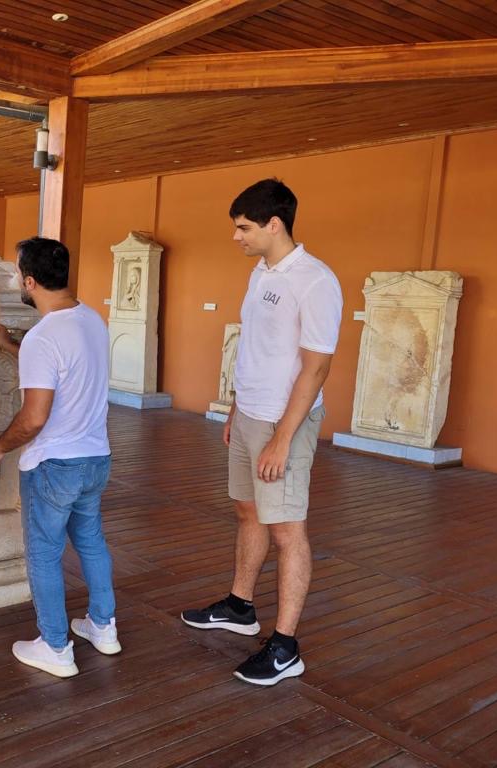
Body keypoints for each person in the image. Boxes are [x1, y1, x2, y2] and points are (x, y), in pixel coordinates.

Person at [181, 178, 343, 686]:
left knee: (287, 529)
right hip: (250, 413)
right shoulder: (261, 272)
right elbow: (256, 348)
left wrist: (281, 438)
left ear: (275, 225)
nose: (237, 236)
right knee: (247, 511)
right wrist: (235, 408)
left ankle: (286, 647)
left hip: (283, 422)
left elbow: (316, 368)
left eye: (244, 227)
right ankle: (240, 606)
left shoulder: (316, 281)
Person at [0, 236, 119, 679]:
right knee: (91, 541)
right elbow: (65, 371)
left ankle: (56, 646)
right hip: (95, 457)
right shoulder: (92, 320)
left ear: (30, 280)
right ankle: (103, 627)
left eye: (18, 273)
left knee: (43, 553)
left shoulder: (44, 336)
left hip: (54, 465)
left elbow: (35, 416)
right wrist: (11, 347)